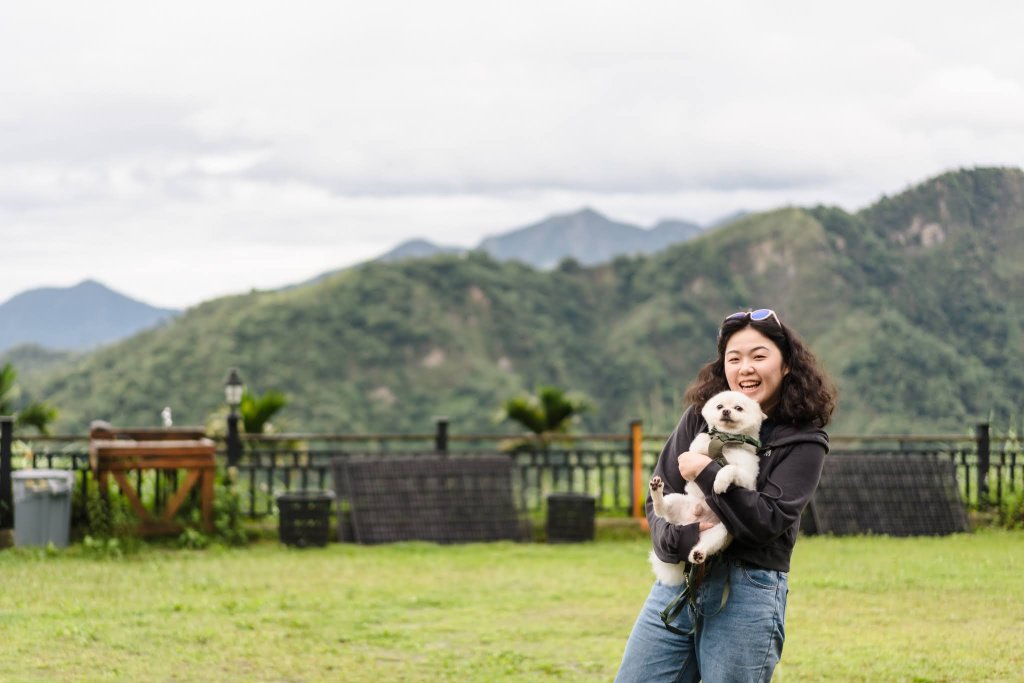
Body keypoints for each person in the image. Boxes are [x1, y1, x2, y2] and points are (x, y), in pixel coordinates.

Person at [615, 308, 838, 683]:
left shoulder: (802, 439)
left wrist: (704, 470)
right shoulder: (698, 420)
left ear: (786, 365)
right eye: (734, 358)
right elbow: (662, 495)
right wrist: (683, 541)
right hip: (678, 584)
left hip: (748, 590)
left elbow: (766, 521)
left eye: (759, 356)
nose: (745, 368)